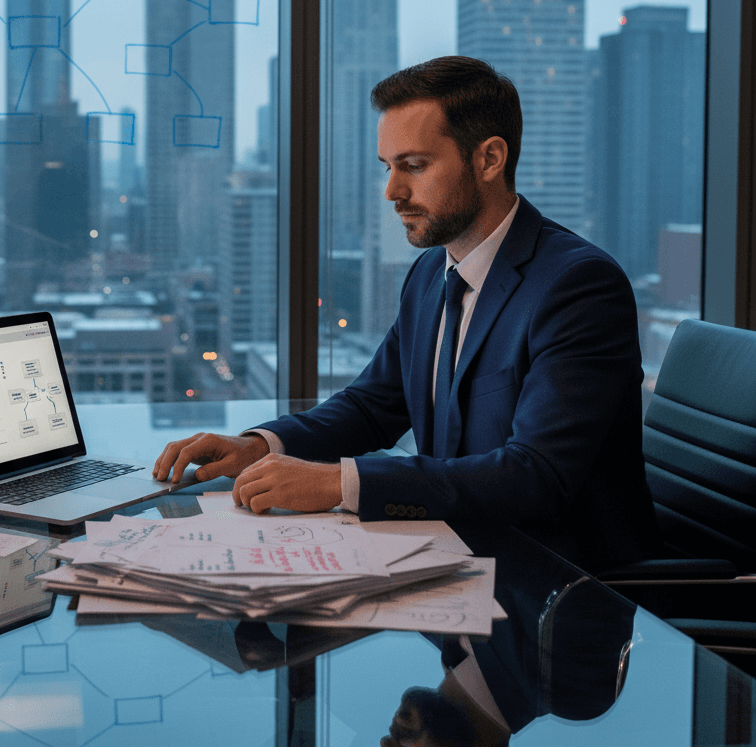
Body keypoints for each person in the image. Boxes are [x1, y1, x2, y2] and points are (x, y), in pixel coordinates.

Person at [154, 55, 662, 571]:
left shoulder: (578, 287)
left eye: (414, 166)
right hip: (452, 561)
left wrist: (339, 482)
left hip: (558, 590)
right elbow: (373, 406)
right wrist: (260, 445)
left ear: (489, 160)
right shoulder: (429, 275)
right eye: (389, 167)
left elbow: (537, 477)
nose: (392, 192)